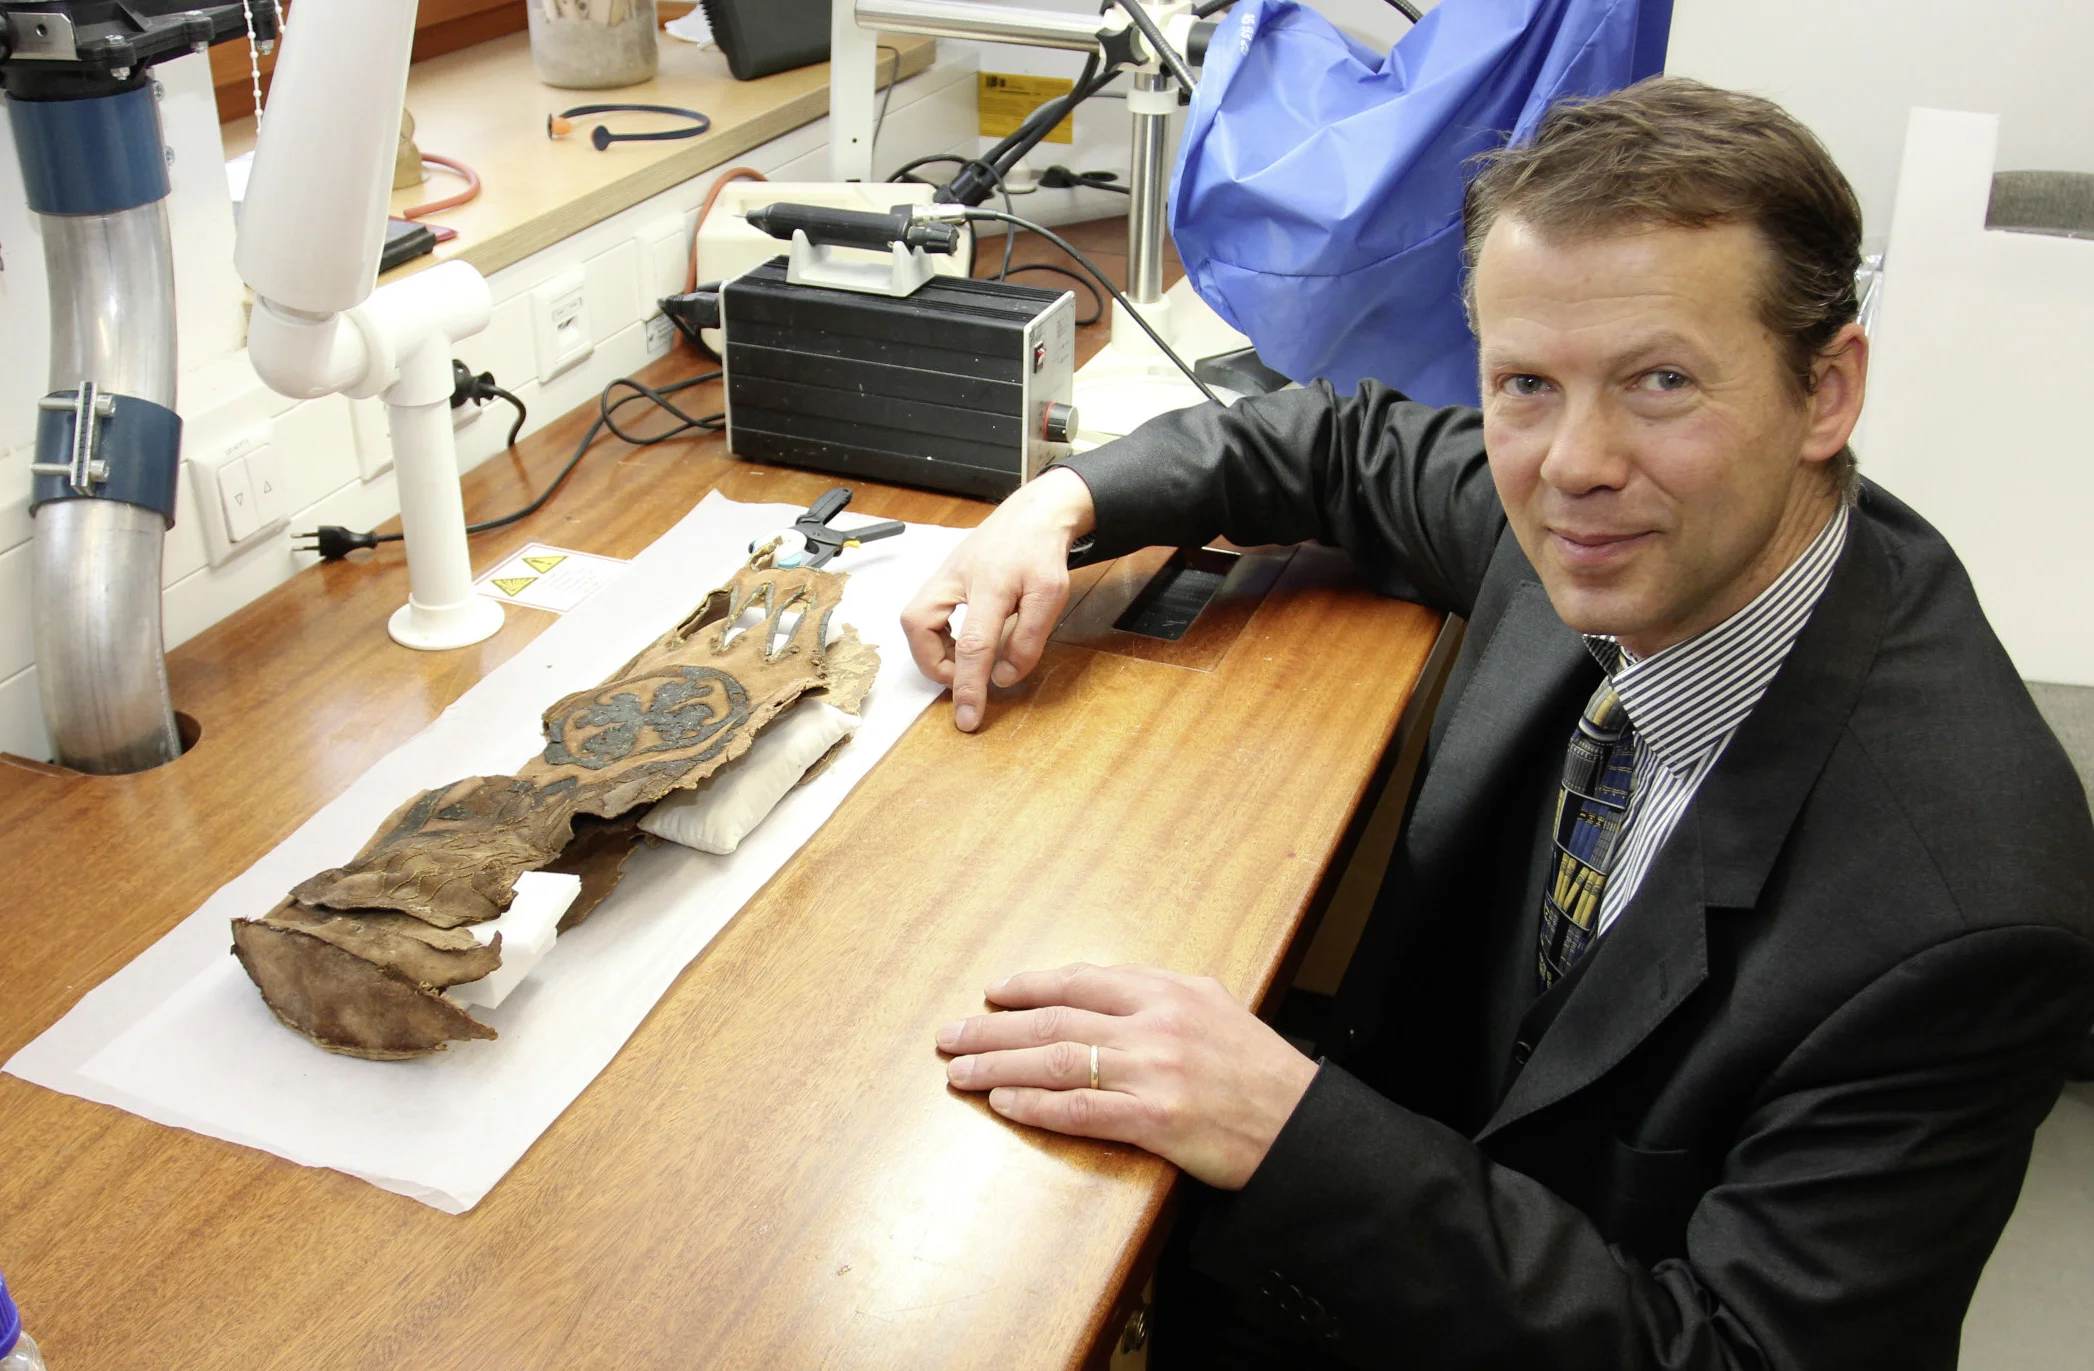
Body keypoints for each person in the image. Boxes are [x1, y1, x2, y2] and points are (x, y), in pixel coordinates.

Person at [898, 77, 2094, 1368]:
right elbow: (1344, 445)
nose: (1572, 462)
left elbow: (1737, 1353)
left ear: (1826, 394)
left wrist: (1290, 1129)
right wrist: (1058, 505)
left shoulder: (1964, 919)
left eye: (1662, 381)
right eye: (1525, 380)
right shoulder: (1621, 524)